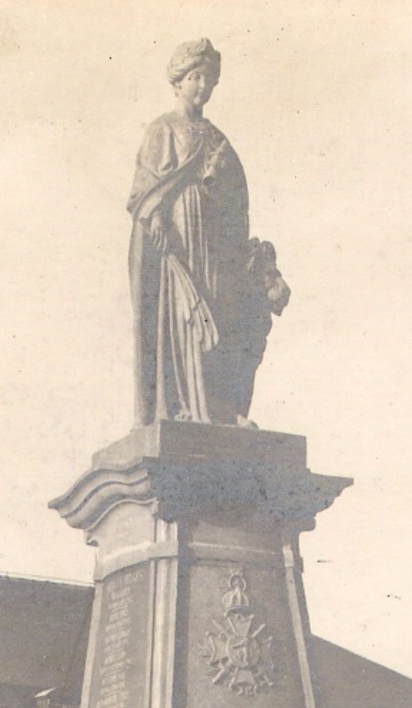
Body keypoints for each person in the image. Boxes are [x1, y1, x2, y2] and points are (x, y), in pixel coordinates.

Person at [127, 39, 287, 427]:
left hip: (215, 247)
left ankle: (220, 410)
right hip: (179, 249)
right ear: (179, 81)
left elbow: (235, 198)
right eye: (195, 77)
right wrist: (158, 219)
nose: (202, 86)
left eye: (209, 79)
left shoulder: (217, 137)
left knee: (223, 317)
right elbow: (144, 192)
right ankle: (185, 407)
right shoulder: (162, 129)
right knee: (187, 324)